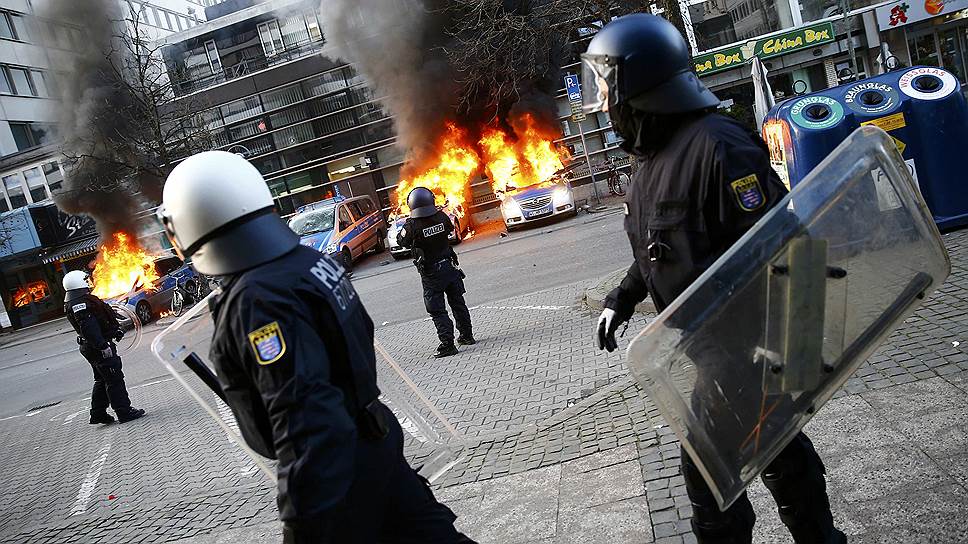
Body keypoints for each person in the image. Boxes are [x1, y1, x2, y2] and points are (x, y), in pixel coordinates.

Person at [585, 14, 847, 544]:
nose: (606, 100)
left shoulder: (719, 145)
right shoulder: (647, 166)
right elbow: (661, 250)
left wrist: (798, 359)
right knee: (779, 460)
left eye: (609, 84)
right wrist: (622, 298)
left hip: (751, 349)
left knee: (716, 481)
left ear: (641, 84)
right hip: (708, 350)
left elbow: (791, 243)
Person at [158, 151, 476, 544]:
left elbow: (308, 422)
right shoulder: (305, 261)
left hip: (339, 477)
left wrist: (302, 527)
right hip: (374, 439)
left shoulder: (257, 299)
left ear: (187, 225)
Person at [396, 187, 474, 358]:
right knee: (458, 303)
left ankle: (448, 344)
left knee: (437, 310)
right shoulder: (441, 216)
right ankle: (467, 336)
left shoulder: (412, 225)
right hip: (449, 266)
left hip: (431, 273)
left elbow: (401, 241)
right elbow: (448, 230)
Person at [63, 270, 145, 425]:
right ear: (78, 283)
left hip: (90, 347)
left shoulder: (78, 300)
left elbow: (98, 321)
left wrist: (114, 330)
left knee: (102, 379)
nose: (88, 282)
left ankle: (98, 414)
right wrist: (103, 346)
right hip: (97, 348)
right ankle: (124, 411)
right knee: (114, 379)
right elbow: (89, 328)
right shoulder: (80, 303)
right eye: (85, 280)